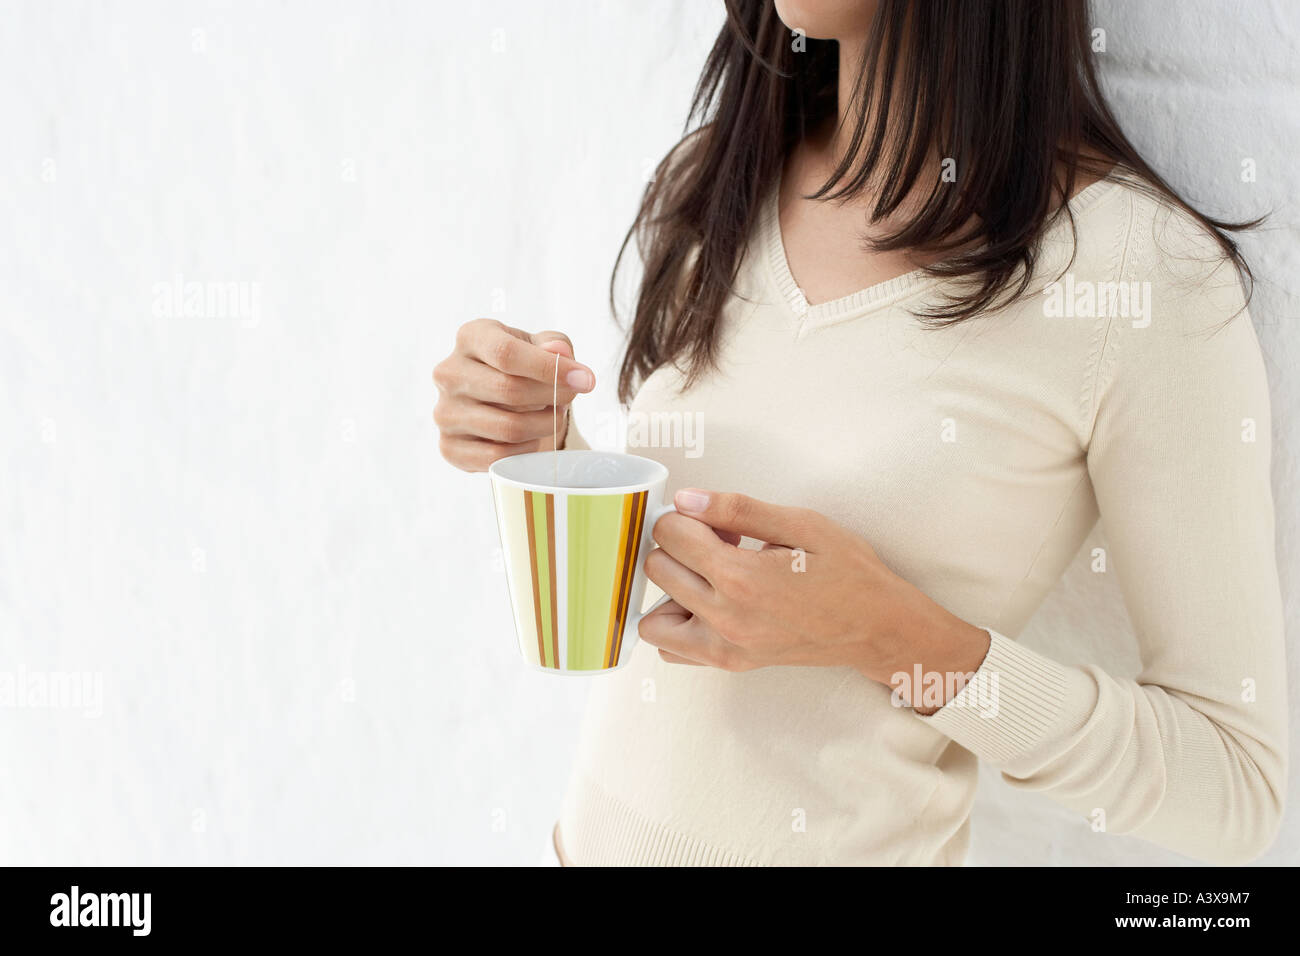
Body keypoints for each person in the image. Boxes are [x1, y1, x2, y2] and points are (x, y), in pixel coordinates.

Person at [433, 0, 1286, 866]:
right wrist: (541, 448)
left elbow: (1241, 787)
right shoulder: (721, 176)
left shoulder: (1140, 277)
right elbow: (690, 597)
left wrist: (902, 641)